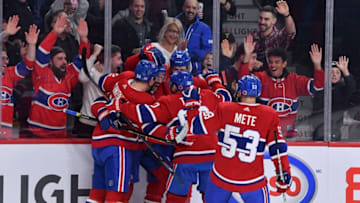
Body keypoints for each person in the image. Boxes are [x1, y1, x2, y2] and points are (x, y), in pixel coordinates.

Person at [108, 70, 231, 202]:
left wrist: (121, 106)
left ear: (176, 86)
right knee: (212, 198)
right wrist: (214, 80)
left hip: (185, 157)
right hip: (212, 155)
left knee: (175, 198)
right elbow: (225, 97)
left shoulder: (169, 101)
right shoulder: (209, 95)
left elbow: (144, 114)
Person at [183, 75, 291, 202]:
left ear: (239, 90)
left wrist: (192, 105)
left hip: (221, 177)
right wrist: (283, 172)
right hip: (252, 181)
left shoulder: (225, 108)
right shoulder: (269, 114)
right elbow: (278, 148)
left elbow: (196, 126)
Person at [86, 59, 166, 203]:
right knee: (116, 195)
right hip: (119, 147)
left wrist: (103, 112)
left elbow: (100, 95)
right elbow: (149, 126)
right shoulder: (146, 100)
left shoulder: (122, 81)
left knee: (96, 193)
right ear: (151, 79)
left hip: (98, 143)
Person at [239, 35, 324, 138]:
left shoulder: (294, 80)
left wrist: (317, 65)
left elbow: (318, 86)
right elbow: (243, 82)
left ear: (284, 64)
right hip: (265, 132)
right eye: (270, 62)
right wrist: (247, 56)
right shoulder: (261, 78)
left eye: (277, 62)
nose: (273, 65)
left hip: (288, 134)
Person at [26, 16, 90, 138]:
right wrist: (55, 33)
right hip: (37, 134)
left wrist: (83, 38)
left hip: (60, 134)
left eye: (65, 58)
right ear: (50, 62)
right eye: (60, 59)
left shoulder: (69, 76)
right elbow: (42, 52)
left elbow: (83, 59)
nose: (64, 62)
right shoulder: (42, 73)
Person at [1, 22, 39, 137]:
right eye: (2, 58)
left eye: (7, 59)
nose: (6, 62)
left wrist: (32, 45)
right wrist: (6, 33)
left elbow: (28, 64)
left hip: (5, 131)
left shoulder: (9, 74)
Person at [311, 56, 356, 141]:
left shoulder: (343, 90)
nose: (334, 75)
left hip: (336, 130)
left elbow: (352, 88)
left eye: (337, 72)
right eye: (331, 72)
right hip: (318, 129)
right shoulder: (319, 88)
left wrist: (345, 71)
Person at [251, 1, 296, 71]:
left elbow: (290, 33)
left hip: (274, 76)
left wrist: (287, 15)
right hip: (255, 76)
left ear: (274, 21)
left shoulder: (278, 37)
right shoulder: (253, 35)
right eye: (260, 18)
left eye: (266, 19)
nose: (262, 22)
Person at [175, 0, 212, 76]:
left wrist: (188, 54)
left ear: (198, 10)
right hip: (175, 69)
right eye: (188, 7)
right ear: (183, 8)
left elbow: (207, 51)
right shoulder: (174, 24)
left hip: (196, 73)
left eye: (194, 8)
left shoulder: (204, 28)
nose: (190, 10)